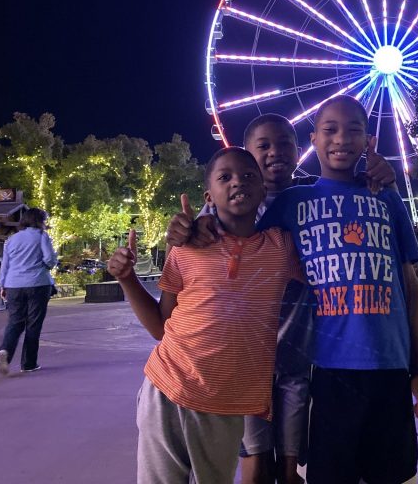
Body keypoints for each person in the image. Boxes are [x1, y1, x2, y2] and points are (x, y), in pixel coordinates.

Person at [166, 113, 396, 484]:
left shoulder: (311, 195)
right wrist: (188, 226)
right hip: (243, 356)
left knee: (290, 463)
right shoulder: (224, 210)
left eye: (285, 144)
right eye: (264, 146)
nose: (276, 153)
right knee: (255, 458)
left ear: (299, 146)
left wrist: (379, 175)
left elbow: (349, 207)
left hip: (296, 349)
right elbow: (195, 246)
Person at [256, 95, 418, 484]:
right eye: (330, 130)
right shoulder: (291, 203)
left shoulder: (386, 197)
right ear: (314, 138)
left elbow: (410, 289)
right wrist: (198, 225)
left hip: (390, 369)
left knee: (395, 474)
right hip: (327, 371)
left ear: (369, 140)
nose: (342, 139)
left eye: (354, 130)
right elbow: (238, 242)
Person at [108, 147, 305, 484]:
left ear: (262, 190)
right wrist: (127, 278)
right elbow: (160, 325)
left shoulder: (281, 247)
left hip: (227, 406)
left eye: (247, 176)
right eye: (224, 177)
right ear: (208, 196)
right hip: (166, 389)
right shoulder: (186, 248)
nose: (237, 183)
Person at [0, 208, 57, 375]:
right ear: (39, 220)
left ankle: (5, 352)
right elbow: (50, 259)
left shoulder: (12, 239)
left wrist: (3, 285)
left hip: (13, 284)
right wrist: (45, 265)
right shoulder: (41, 236)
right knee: (33, 324)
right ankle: (29, 363)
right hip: (37, 283)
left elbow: (5, 265)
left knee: (15, 322)